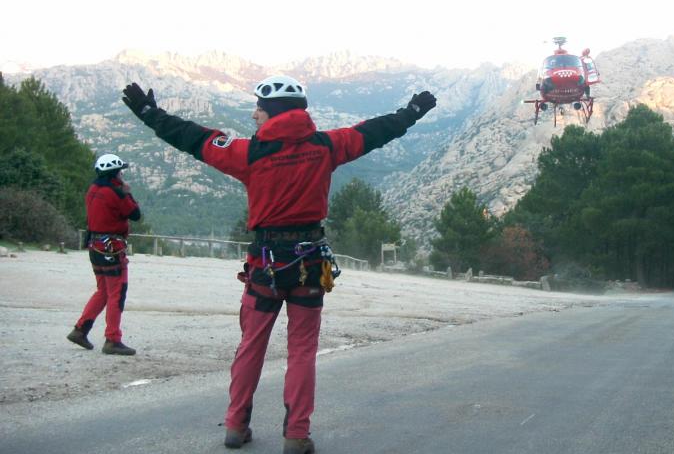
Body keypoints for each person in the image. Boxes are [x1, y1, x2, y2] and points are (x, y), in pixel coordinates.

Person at [121, 76, 436, 454]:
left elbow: (192, 137)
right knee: (302, 350)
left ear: (272, 112)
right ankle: (296, 435)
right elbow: (373, 132)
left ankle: (236, 426)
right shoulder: (327, 146)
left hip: (265, 264)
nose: (254, 113)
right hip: (310, 264)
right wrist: (411, 113)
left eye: (258, 108)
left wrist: (149, 113)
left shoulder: (248, 153)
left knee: (251, 346)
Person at [67, 153, 141, 355]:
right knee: (117, 293)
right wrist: (127, 193)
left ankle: (80, 330)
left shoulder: (92, 190)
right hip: (112, 248)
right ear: (115, 173)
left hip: (94, 246)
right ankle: (112, 339)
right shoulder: (116, 192)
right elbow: (135, 214)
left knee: (102, 291)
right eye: (120, 171)